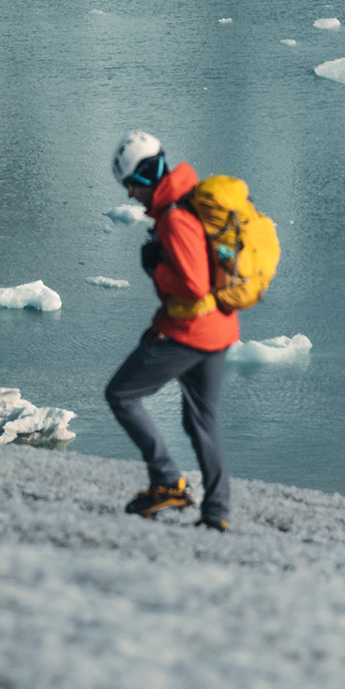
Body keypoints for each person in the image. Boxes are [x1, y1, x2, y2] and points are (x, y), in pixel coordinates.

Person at [106, 131, 234, 531]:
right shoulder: (186, 202)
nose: (130, 195)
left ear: (146, 177)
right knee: (201, 421)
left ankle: (167, 481)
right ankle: (216, 514)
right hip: (219, 329)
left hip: (191, 332)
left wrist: (156, 267)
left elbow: (194, 285)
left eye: (131, 185)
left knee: (122, 395)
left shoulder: (177, 218)